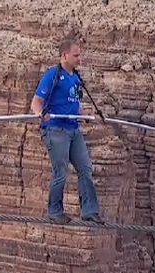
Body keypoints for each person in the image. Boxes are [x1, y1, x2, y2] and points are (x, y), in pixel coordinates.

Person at [30, 39, 104, 225]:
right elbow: (36, 101)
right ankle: (55, 211)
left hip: (73, 129)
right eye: (76, 55)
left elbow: (74, 105)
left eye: (80, 54)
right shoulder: (53, 75)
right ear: (65, 55)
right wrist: (42, 114)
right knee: (61, 171)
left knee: (85, 168)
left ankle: (90, 212)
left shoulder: (76, 78)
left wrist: (87, 115)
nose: (80, 58)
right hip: (56, 129)